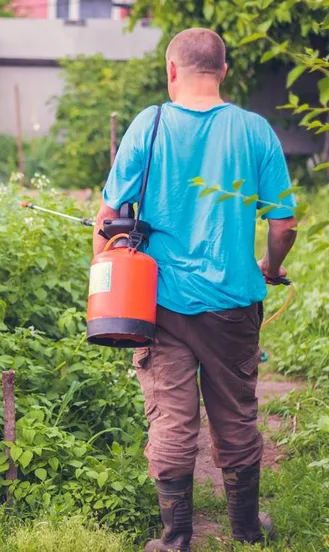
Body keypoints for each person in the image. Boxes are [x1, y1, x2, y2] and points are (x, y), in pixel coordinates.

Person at [93, 28, 298, 552]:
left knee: (170, 418)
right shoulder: (255, 131)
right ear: (224, 70)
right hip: (234, 305)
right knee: (236, 415)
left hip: (156, 303)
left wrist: (106, 283)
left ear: (171, 70)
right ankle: (247, 532)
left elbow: (108, 218)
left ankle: (175, 539)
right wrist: (271, 269)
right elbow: (284, 226)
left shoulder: (149, 124)